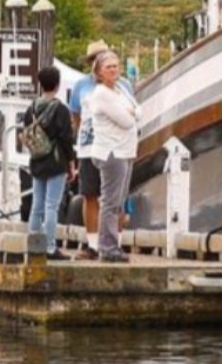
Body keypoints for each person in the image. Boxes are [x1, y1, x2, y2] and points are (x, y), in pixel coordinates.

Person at [86, 51, 139, 264]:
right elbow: (127, 120)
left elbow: (137, 110)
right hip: (112, 152)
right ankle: (107, 247)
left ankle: (111, 243)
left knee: (118, 201)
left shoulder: (120, 89)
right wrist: (131, 112)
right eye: (108, 67)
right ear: (98, 72)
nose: (114, 70)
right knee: (110, 201)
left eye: (116, 66)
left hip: (125, 150)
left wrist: (131, 111)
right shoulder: (101, 93)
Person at [24, 65, 75, 258]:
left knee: (36, 205)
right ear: (58, 84)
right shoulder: (60, 109)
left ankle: (33, 244)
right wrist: (71, 162)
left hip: (37, 161)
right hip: (56, 161)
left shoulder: (31, 108)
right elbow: (66, 138)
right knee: (51, 206)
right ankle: (50, 247)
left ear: (40, 83)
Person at [68, 39, 112, 252]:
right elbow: (74, 113)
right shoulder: (80, 85)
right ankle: (93, 242)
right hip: (87, 148)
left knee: (112, 197)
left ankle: (112, 242)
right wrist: (80, 136)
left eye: (102, 57)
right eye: (94, 58)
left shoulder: (119, 84)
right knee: (89, 195)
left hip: (112, 147)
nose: (98, 61)